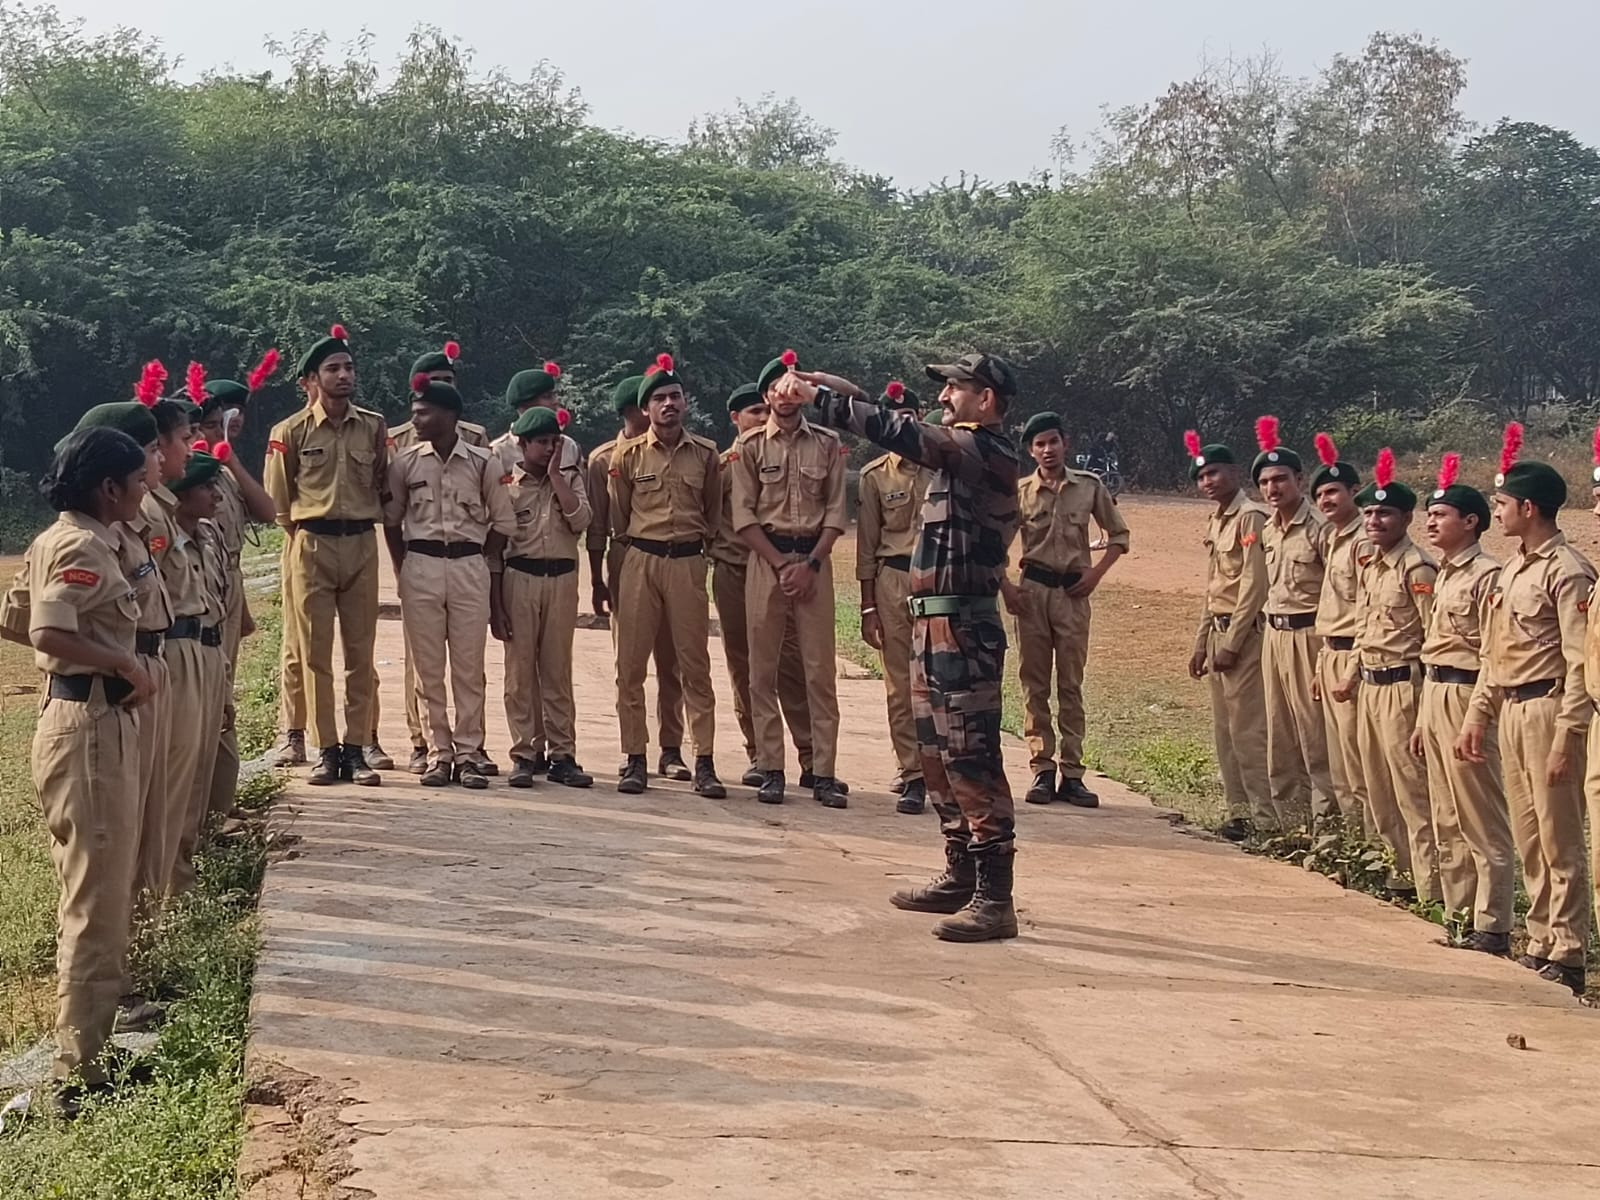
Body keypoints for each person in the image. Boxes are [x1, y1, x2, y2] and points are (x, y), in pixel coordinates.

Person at [774, 352, 1023, 943]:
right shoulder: (961, 449)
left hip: (964, 628)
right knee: (935, 756)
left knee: (971, 758)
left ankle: (996, 896)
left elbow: (901, 431)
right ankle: (960, 871)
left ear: (985, 400)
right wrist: (834, 387)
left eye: (956, 389)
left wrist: (823, 403)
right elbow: (900, 425)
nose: (944, 397)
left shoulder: (985, 452)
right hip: (934, 626)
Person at [18, 427, 158, 1113]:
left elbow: (18, 614)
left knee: (101, 892)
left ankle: (93, 1051)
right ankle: (79, 1075)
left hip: (96, 723)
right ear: (110, 487)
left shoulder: (78, 538)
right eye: (138, 480)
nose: (147, 488)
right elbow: (44, 633)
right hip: (90, 731)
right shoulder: (77, 544)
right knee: (94, 903)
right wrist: (122, 662)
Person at [1459, 425, 1593, 996]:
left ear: (1529, 507)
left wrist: (1568, 734)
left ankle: (1568, 948)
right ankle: (1538, 936)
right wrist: (1477, 714)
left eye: (1503, 504)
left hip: (1547, 708)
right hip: (1511, 707)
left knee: (1559, 835)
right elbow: (1494, 652)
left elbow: (1579, 660)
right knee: (1528, 831)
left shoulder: (1568, 570)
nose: (1498, 512)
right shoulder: (1513, 569)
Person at [264, 323, 389, 786]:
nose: (343, 376)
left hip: (360, 543)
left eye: (349, 367)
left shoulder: (373, 427)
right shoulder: (290, 431)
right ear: (309, 381)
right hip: (311, 542)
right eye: (332, 369)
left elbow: (379, 480)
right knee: (314, 654)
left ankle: (357, 749)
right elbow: (279, 500)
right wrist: (303, 534)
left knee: (360, 651)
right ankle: (327, 749)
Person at [383, 376, 516, 788]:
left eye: (424, 412)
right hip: (421, 563)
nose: (416, 419)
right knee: (427, 668)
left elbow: (503, 521)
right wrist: (404, 567)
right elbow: (392, 521)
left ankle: (470, 752)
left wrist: (480, 554)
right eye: (414, 411)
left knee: (468, 665)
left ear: (449, 415)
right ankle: (439, 752)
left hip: (467, 566)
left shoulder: (482, 462)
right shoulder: (405, 463)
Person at [732, 351, 849, 808]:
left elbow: (837, 513)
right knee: (762, 671)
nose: (785, 397)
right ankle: (771, 767)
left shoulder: (826, 443)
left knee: (819, 671)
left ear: (803, 393)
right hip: (768, 562)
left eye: (793, 389)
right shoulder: (750, 447)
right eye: (777, 389)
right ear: (766, 395)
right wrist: (782, 565)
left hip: (814, 563)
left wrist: (811, 564)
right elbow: (743, 516)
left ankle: (823, 772)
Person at [608, 354, 725, 797]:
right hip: (641, 558)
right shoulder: (627, 454)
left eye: (675, 396)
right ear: (646, 409)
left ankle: (705, 761)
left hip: (688, 563)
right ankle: (634, 757)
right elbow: (620, 514)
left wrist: (698, 551)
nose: (669, 404)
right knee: (630, 666)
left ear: (685, 403)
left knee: (695, 665)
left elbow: (712, 513)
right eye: (659, 398)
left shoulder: (707, 454)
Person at [1004, 409, 1128, 809]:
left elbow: (1119, 535)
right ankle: (1042, 769)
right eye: (1039, 444)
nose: (1047, 450)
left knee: (1070, 684)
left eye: (1053, 442)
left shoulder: (1089, 488)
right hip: (1033, 593)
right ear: (1031, 450)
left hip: (1073, 594)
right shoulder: (1021, 493)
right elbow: (996, 544)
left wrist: (1096, 575)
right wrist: (1006, 588)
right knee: (1034, 684)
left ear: (1065, 444)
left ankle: (1073, 774)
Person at [1416, 455, 1512, 953]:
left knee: (1479, 814)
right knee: (1445, 814)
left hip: (1467, 690)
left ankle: (1493, 923)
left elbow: (1493, 652)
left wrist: (1478, 713)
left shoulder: (1487, 576)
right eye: (1430, 515)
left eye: (1442, 514)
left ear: (1471, 521)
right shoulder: (1446, 572)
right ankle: (1459, 917)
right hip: (1434, 689)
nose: (1431, 522)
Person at [1333, 450, 1440, 901]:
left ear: (1407, 518)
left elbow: (1433, 635)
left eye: (1385, 514)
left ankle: (1430, 885)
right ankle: (1397, 873)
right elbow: (1365, 627)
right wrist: (1351, 674)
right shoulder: (1371, 566)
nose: (1374, 521)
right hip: (1370, 685)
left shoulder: (1417, 569)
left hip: (1403, 686)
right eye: (1369, 513)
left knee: (1412, 790)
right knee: (1375, 786)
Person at [711, 382, 818, 791]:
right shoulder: (723, 464)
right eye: (751, 411)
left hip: (783, 572)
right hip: (736, 571)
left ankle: (810, 755)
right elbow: (706, 512)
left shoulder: (782, 453)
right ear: (734, 418)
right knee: (746, 666)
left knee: (792, 662)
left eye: (762, 409)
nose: (760, 416)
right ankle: (760, 753)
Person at [587, 374, 690, 780]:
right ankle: (635, 752)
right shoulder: (605, 459)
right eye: (651, 403)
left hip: (673, 561)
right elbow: (597, 526)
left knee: (674, 661)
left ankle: (672, 748)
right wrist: (597, 579)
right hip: (627, 557)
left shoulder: (684, 451)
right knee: (629, 662)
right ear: (635, 411)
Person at [193, 356, 279, 823]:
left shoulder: (223, 471)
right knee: (205, 699)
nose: (224, 431)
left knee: (224, 696)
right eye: (215, 424)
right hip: (200, 592)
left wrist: (231, 456)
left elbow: (267, 511)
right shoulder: (184, 480)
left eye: (233, 425)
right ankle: (203, 811)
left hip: (228, 586)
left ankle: (219, 805)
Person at [490, 405, 595, 789]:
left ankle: (562, 754)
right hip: (521, 577)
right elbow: (495, 549)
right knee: (519, 671)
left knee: (557, 670)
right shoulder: (508, 484)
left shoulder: (569, 478)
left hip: (562, 579)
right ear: (523, 444)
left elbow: (582, 521)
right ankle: (523, 753)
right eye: (541, 442)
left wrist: (558, 479)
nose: (550, 449)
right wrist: (495, 604)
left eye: (555, 441)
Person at [1184, 432, 1272, 842]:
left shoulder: (1249, 518)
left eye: (1215, 473)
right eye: (1202, 477)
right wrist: (1202, 642)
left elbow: (1254, 586)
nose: (1209, 482)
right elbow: (1213, 586)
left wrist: (1233, 642)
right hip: (1219, 632)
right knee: (1224, 731)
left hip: (1244, 636)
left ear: (1235, 473)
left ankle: (1264, 816)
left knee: (1248, 729)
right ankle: (1239, 813)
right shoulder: (1217, 520)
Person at [1251, 417, 1337, 832]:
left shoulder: (1320, 529)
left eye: (1281, 479)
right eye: (1265, 482)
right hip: (1275, 635)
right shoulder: (1269, 529)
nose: (1273, 489)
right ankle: (1292, 828)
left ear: (1300, 480)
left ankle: (1328, 833)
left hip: (1310, 636)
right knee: (1280, 738)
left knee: (1315, 738)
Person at [856, 381, 933, 813]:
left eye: (910, 414)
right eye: (894, 417)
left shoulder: (944, 469)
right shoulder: (874, 478)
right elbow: (867, 546)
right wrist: (868, 606)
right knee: (900, 687)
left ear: (920, 418)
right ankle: (912, 774)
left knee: (941, 683)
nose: (903, 422)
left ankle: (942, 771)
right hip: (893, 580)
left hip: (937, 581)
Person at [164, 442, 232, 894]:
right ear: (182, 493)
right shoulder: (162, 538)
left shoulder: (208, 537)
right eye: (207, 487)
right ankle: (174, 883)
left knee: (206, 768)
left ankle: (192, 861)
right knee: (180, 775)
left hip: (210, 652)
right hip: (179, 653)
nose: (216, 497)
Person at [1307, 434, 1371, 833]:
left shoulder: (1365, 541)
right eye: (1320, 495)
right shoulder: (1333, 538)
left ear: (1355, 492)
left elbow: (1369, 610)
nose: (1326, 500)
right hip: (1330, 652)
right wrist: (1321, 662)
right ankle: (1351, 843)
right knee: (1337, 757)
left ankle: (1371, 842)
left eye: (1333, 491)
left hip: (1355, 657)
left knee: (1357, 759)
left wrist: (1352, 667)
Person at [491, 361, 581, 477]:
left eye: (554, 395)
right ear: (524, 404)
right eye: (547, 397)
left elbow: (581, 491)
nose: (555, 401)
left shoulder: (568, 446)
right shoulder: (499, 451)